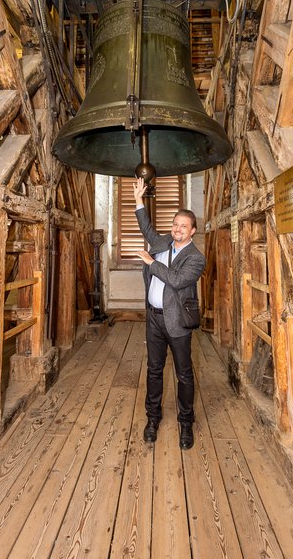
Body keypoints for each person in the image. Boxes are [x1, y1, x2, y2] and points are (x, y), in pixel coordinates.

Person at [133, 177, 206, 450]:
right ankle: (153, 418)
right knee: (154, 370)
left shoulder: (196, 258)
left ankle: (185, 423)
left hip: (177, 323)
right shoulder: (163, 242)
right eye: (175, 224)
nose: (177, 229)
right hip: (153, 319)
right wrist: (139, 199)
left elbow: (175, 280)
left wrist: (151, 262)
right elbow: (146, 228)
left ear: (192, 231)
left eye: (183, 226)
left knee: (184, 374)